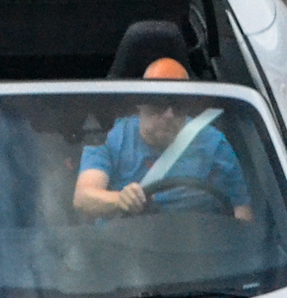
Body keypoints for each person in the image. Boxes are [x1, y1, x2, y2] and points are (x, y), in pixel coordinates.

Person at [73, 58, 252, 221]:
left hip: (195, 247)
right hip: (122, 246)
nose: (168, 114)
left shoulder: (214, 145)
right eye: (158, 101)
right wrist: (120, 200)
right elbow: (83, 198)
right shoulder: (110, 137)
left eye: (179, 104)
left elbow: (242, 215)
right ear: (140, 101)